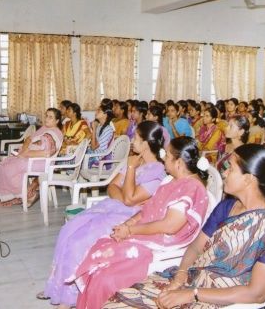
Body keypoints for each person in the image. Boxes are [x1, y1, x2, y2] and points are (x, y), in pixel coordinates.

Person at [106, 144, 265, 308]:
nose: (224, 172)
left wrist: (193, 294)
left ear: (248, 179)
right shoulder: (227, 207)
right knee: (118, 302)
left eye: (230, 169)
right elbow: (197, 247)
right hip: (193, 279)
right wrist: (180, 277)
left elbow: (256, 294)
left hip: (222, 300)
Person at [37, 121, 167, 308]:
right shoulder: (134, 159)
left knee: (79, 241)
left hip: (131, 217)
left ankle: (71, 296)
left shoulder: (157, 170)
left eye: (137, 137)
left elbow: (132, 201)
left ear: (147, 143)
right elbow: (112, 186)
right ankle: (58, 287)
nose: (132, 140)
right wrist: (125, 195)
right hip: (113, 206)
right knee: (68, 230)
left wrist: (130, 173)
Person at [72, 137, 210, 309]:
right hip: (147, 236)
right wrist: (128, 224)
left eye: (166, 156)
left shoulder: (192, 188)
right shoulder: (170, 180)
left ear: (179, 163)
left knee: (104, 276)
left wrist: (131, 231)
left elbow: (170, 226)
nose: (163, 159)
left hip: (160, 245)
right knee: (99, 253)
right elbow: (147, 211)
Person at [0, 108, 63, 207]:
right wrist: (24, 149)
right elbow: (29, 138)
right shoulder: (44, 128)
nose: (47, 119)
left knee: (10, 168)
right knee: (4, 165)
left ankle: (26, 195)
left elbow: (46, 153)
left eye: (50, 117)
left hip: (42, 162)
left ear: (57, 121)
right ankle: (20, 194)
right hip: (30, 156)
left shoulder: (55, 133)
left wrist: (25, 154)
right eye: (46, 116)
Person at [87, 102, 115, 167]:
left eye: (99, 110)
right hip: (92, 153)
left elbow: (93, 147)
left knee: (76, 159)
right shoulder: (99, 126)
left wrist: (94, 129)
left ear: (105, 114)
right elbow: (92, 145)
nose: (96, 112)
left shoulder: (108, 129)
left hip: (97, 156)